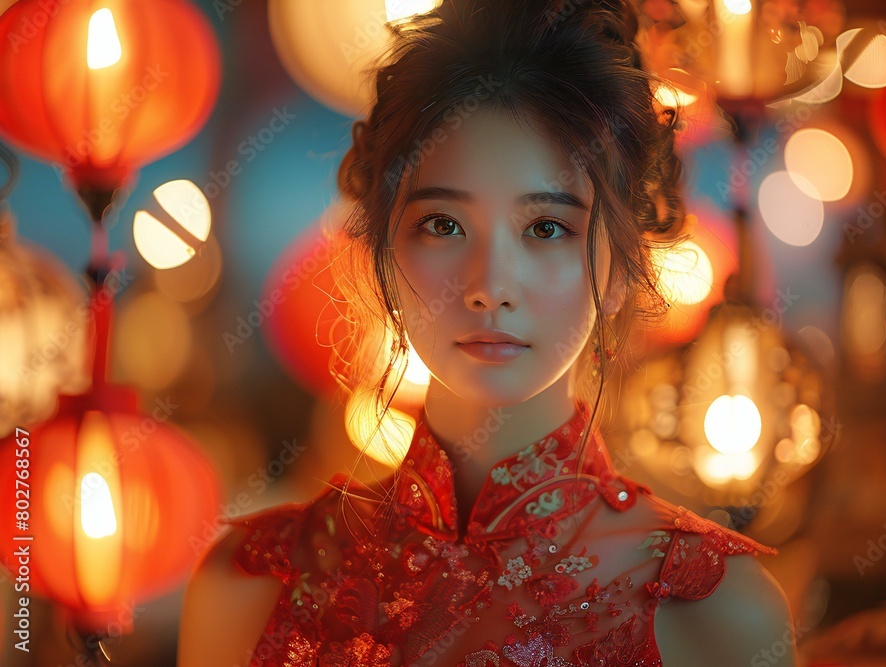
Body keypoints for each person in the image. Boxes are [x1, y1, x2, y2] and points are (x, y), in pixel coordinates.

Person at [178, 0, 797, 665]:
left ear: (620, 268)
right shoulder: (252, 584)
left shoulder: (712, 608)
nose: (489, 284)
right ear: (385, 252)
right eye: (443, 224)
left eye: (546, 227)